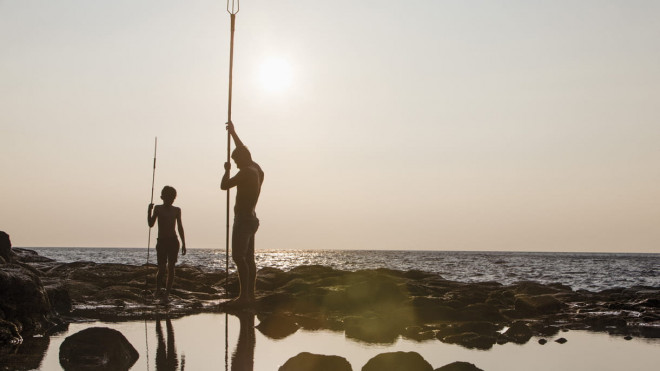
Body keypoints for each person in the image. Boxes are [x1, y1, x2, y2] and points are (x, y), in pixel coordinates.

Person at [221, 121, 264, 306]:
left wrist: (226, 171)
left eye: (236, 161)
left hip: (243, 220)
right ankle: (250, 295)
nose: (236, 165)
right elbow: (243, 150)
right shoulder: (257, 169)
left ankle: (244, 296)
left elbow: (224, 186)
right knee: (249, 259)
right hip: (252, 219)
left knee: (239, 257)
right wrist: (233, 133)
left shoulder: (246, 172)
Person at [148, 186, 186, 302]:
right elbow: (151, 224)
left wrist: (184, 243)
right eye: (168, 197)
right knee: (162, 268)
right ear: (162, 197)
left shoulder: (177, 210)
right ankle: (158, 290)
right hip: (162, 242)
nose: (170, 200)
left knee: (171, 267)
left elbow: (180, 227)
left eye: (172, 198)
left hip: (173, 241)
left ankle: (167, 294)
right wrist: (149, 210)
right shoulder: (158, 209)